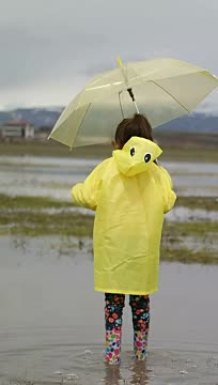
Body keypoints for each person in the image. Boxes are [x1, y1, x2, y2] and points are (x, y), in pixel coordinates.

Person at [71, 114, 176, 365]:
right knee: (141, 304)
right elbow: (167, 202)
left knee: (113, 306)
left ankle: (112, 359)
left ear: (118, 140)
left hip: (113, 248)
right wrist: (158, 172)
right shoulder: (157, 172)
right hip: (143, 249)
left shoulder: (107, 167)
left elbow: (87, 196)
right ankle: (140, 358)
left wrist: (76, 188)